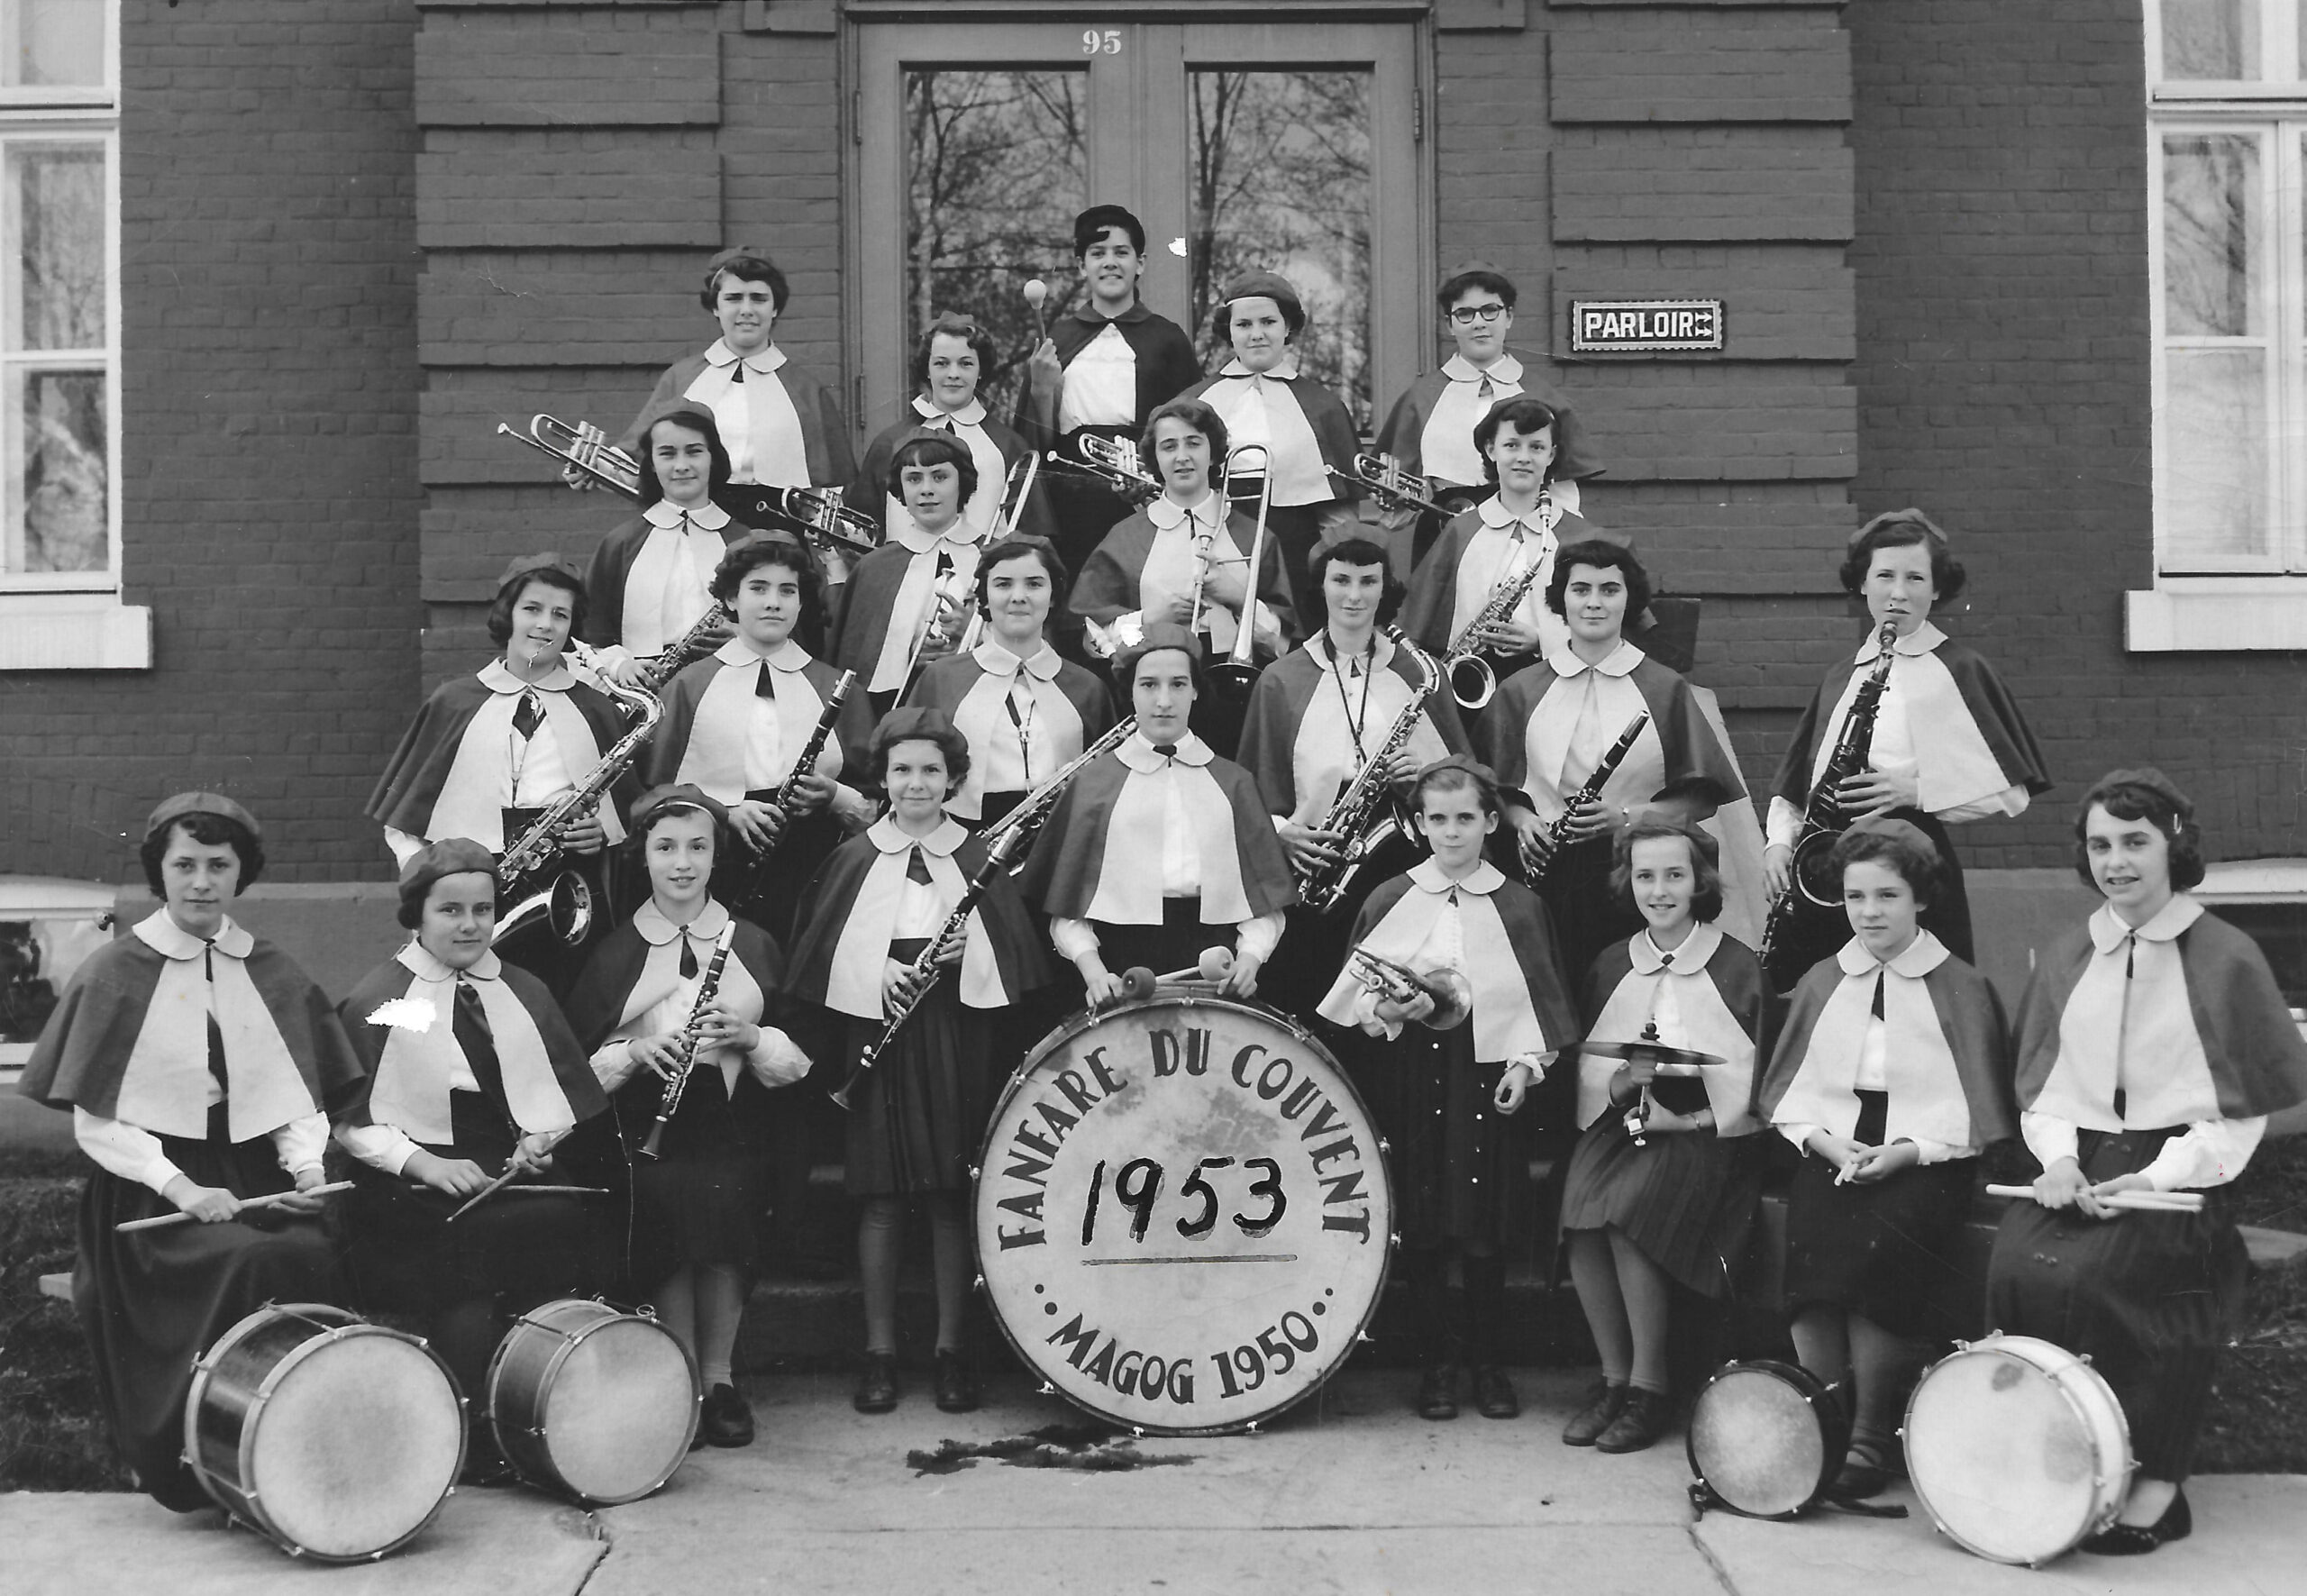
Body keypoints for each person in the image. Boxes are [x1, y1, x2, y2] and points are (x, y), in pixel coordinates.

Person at [1987, 771, 2307, 1555]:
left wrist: (2157, 1177)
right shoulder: (2069, 953)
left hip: (2182, 1172)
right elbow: (2043, 1085)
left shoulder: (2227, 955)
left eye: (2135, 841)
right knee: (2015, 1266)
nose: (2117, 861)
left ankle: (2156, 1480)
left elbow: (2236, 1119)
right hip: (2081, 1160)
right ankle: (2064, 1459)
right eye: (2101, 844)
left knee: (2119, 1278)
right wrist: (2058, 1161)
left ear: (2175, 844)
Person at [17, 793, 362, 1510]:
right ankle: (200, 1451)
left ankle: (295, 1442)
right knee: (249, 1258)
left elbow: (297, 1094)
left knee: (314, 1247)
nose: (201, 881)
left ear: (242, 874)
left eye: (218, 864)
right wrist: (183, 1189)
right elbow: (99, 1122)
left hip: (254, 1175)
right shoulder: (117, 971)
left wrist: (306, 1171)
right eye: (185, 864)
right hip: (150, 1190)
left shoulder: (269, 968)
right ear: (159, 871)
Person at [787, 708, 1052, 1415]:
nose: (916, 783)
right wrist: (871, 973)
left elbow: (1019, 957)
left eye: (931, 770)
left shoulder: (978, 854)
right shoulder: (853, 856)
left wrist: (979, 952)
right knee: (878, 1195)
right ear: (884, 777)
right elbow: (817, 955)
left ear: (955, 779)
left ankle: (950, 1350)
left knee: (946, 1192)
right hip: (878, 1025)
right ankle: (879, 1353)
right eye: (902, 769)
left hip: (955, 1023)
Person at [334, 838, 614, 1481]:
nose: (469, 925)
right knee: (469, 1245)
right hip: (408, 1165)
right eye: (450, 910)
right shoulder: (397, 996)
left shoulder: (516, 987)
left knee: (562, 1218)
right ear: (417, 916)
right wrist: (421, 1164)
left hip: (503, 1152)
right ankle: (471, 1424)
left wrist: (539, 1139)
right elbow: (355, 1118)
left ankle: (545, 1405)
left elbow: (551, 1085)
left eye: (482, 910)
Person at [1758, 818, 2015, 1502]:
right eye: (1855, 896)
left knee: (1878, 1259)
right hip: (1837, 1143)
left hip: (1928, 1156)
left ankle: (1872, 1433)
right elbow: (1790, 1092)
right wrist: (1824, 1142)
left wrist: (1906, 1152)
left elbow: (1976, 1113)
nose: (1869, 912)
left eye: (1887, 895)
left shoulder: (1960, 985)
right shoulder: (1822, 978)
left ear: (1920, 899)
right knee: (1813, 1250)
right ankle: (1824, 1419)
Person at [1316, 757, 1578, 1422]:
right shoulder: (1389, 898)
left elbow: (1538, 1002)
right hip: (1411, 1072)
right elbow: (1358, 1012)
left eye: (1466, 818)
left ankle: (1489, 1366)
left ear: (1492, 821)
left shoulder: (1520, 903)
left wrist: (1526, 1065)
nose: (1453, 833)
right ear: (1418, 824)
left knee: (1484, 1225)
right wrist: (1387, 1015)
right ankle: (1437, 1366)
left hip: (1486, 1073)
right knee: (1426, 1223)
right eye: (1438, 819)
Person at [566, 785, 814, 1449]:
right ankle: (679, 1371)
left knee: (729, 1201)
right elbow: (578, 1071)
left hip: (733, 1119)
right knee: (667, 1205)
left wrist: (750, 1036)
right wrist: (638, 1050)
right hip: (643, 1123)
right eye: (666, 847)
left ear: (715, 856)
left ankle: (718, 1379)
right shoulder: (616, 950)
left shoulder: (753, 943)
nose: (682, 862)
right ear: (642, 857)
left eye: (698, 847)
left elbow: (798, 1065)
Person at [1764, 508, 2049, 981]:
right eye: (1885, 576)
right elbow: (1798, 785)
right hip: (1825, 871)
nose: (1899, 593)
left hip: (1913, 866)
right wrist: (1777, 844)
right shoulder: (1843, 675)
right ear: (1862, 584)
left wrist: (1914, 792)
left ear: (1937, 588)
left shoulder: (1959, 669)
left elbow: (2011, 792)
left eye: (1916, 577)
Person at [1557, 814, 1764, 1455]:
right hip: (1630, 1113)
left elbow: (1756, 1082)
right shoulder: (1612, 962)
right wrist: (1621, 1083)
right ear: (1630, 882)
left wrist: (1690, 1118)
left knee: (1626, 1210)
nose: (1660, 889)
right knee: (1580, 1215)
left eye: (1675, 874)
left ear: (1698, 880)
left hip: (1708, 1128)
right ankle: (1614, 1378)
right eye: (1646, 875)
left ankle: (1652, 1387)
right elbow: (1595, 1071)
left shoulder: (1736, 965)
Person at [1473, 541, 1756, 988]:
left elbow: (1699, 801)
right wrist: (1522, 819)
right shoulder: (1520, 690)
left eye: (1609, 590)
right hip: (1541, 871)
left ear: (1629, 600)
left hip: (1635, 873)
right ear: (1560, 600)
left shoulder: (1666, 689)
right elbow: (1490, 790)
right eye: (1580, 589)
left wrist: (1622, 817)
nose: (1594, 602)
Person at [368, 552, 638, 994]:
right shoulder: (453, 701)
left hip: (565, 889)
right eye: (532, 609)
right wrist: (429, 881)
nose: (545, 625)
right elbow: (403, 821)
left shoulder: (597, 709)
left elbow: (627, 817)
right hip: (468, 890)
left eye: (560, 614)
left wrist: (603, 833)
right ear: (507, 615)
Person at [1236, 535, 1466, 1014]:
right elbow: (1249, 787)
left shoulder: (1421, 671)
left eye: (1368, 582)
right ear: (1321, 588)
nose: (1354, 596)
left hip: (1404, 855)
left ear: (1386, 590)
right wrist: (1281, 834)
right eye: (1341, 580)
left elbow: (1466, 771)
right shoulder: (1281, 679)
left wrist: (1422, 780)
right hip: (1317, 860)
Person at [1017, 625, 1298, 1006]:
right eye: (1148, 685)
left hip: (1214, 963)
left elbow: (1263, 902)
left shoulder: (1234, 784)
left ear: (1196, 691)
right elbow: (1070, 908)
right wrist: (1094, 972)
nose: (1164, 700)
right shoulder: (1093, 785)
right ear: (1129, 691)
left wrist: (1250, 959)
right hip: (1120, 966)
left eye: (1178, 685)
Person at [643, 531, 877, 944]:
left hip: (816, 855)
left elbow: (873, 790)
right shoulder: (688, 686)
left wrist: (834, 793)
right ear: (731, 600)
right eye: (758, 588)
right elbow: (655, 792)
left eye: (788, 591)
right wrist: (724, 810)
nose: (773, 602)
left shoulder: (836, 685)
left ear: (801, 601)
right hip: (722, 858)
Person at [1069, 398, 1295, 757]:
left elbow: (1284, 644)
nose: (1182, 456)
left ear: (1214, 452)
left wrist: (1239, 598)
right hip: (1152, 692)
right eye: (1169, 446)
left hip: (1238, 694)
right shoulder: (1125, 537)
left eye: (1194, 443)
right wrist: (1150, 619)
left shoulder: (1256, 535)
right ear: (1155, 459)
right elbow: (1093, 642)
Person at [1373, 261, 1603, 568]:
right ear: (1449, 324)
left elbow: (1564, 493)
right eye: (1465, 314)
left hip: (1525, 533)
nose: (1479, 323)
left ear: (1509, 317)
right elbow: (1405, 499)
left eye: (1490, 310)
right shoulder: (1420, 397)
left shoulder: (1542, 396)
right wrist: (1393, 501)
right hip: (1444, 535)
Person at [1017, 205, 1203, 579]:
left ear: (1141, 264)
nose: (1110, 263)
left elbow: (1191, 432)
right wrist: (1041, 390)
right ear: (1081, 265)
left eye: (1122, 252)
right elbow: (1034, 447)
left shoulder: (1167, 340)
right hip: (1072, 505)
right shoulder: (1058, 340)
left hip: (1145, 500)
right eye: (1098, 254)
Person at [1181, 269, 1363, 624]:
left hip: (1294, 547)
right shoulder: (1194, 403)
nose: (1257, 334)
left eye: (1268, 321)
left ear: (1288, 328)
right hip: (1213, 546)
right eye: (1244, 324)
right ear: (1229, 331)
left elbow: (1337, 517)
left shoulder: (1323, 406)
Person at [900, 535, 1117, 833]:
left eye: (1034, 584)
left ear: (1053, 595)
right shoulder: (942, 679)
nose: (1018, 596)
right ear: (985, 597)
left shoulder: (1087, 687)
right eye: (1003, 584)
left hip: (1061, 837)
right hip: (964, 838)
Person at [1399, 396, 1603, 692]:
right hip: (1471, 681)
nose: (1524, 457)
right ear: (1491, 449)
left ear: (1552, 455)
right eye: (1512, 445)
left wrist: (1541, 640)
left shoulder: (1580, 535)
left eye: (1537, 447)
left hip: (1557, 681)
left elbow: (1606, 625)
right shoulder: (1460, 531)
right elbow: (1417, 620)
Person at [616, 247, 853, 497]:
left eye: (759, 299)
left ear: (775, 309)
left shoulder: (806, 389)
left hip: (777, 528)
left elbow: (834, 485)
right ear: (715, 307)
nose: (746, 309)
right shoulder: (682, 377)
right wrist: (594, 466)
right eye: (734, 298)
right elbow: (632, 459)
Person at [582, 403, 748, 689]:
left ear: (714, 459)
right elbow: (590, 637)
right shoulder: (620, 544)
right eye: (667, 453)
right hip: (642, 690)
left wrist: (744, 638)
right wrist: (621, 665)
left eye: (694, 451)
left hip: (731, 684)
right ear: (651, 464)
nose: (681, 465)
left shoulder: (745, 542)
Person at [850, 312, 1052, 545]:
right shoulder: (890, 442)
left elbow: (1034, 536)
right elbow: (861, 530)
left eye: (965, 364)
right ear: (927, 369)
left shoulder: (1008, 446)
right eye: (941, 363)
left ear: (981, 370)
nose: (953, 374)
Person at [830, 430, 990, 719]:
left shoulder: (996, 558)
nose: (926, 489)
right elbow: (859, 659)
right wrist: (909, 653)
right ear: (900, 488)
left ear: (962, 483)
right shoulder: (875, 568)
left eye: (940, 477)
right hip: (899, 710)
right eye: (914, 478)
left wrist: (976, 635)